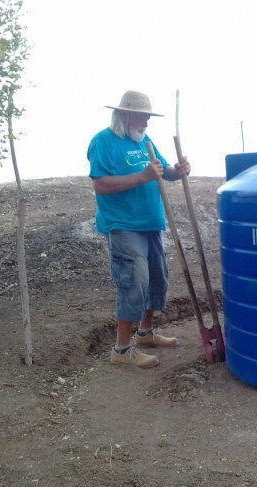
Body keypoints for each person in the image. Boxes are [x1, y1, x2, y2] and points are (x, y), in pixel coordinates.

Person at [87, 90, 191, 368]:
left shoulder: (144, 140)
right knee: (134, 283)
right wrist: (142, 176)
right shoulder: (103, 142)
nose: (146, 122)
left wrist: (177, 171)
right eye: (142, 116)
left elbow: (163, 170)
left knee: (157, 280)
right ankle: (121, 351)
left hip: (151, 223)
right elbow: (101, 185)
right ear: (124, 114)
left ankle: (145, 334)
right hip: (123, 225)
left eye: (148, 117)